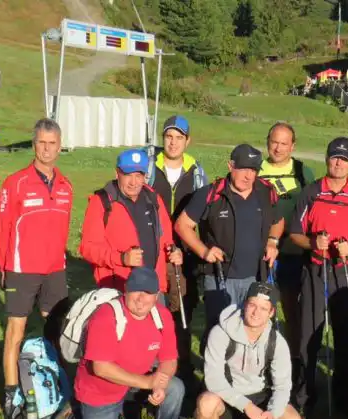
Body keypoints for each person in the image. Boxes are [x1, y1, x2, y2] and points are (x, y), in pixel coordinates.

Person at [51, 267, 184, 419]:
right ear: (126, 290)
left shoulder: (162, 315)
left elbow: (169, 359)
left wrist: (161, 382)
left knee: (175, 388)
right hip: (100, 389)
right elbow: (101, 368)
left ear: (157, 295)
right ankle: (73, 417)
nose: (141, 299)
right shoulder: (105, 316)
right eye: (136, 291)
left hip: (137, 381)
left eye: (148, 293)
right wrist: (149, 383)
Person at [289, 137, 348, 418]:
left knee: (344, 335)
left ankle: (344, 398)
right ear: (327, 159)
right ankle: (304, 397)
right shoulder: (311, 192)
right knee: (309, 336)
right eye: (335, 157)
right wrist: (313, 243)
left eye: (344, 159)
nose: (339, 163)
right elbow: (295, 233)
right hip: (315, 269)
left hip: (344, 272)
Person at [0, 118, 73, 416]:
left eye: (52, 143)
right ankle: (11, 396)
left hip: (54, 270)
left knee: (57, 330)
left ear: (60, 146)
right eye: (42, 142)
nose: (47, 149)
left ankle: (54, 387)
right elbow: (2, 228)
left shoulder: (66, 186)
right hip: (22, 269)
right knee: (16, 330)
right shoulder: (14, 183)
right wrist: (4, 266)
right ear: (33, 144)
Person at [174, 143, 283, 345]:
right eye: (243, 169)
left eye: (253, 170)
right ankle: (213, 365)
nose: (248, 176)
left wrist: (273, 241)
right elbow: (183, 225)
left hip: (255, 276)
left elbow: (278, 221)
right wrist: (204, 251)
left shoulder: (265, 192)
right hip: (219, 276)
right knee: (218, 333)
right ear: (230, 166)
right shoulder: (211, 194)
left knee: (251, 332)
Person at [195, 282, 303, 419]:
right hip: (226, 396)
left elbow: (282, 386)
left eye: (263, 308)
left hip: (259, 396)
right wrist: (246, 406)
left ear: (271, 313)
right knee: (206, 403)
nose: (256, 313)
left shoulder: (277, 341)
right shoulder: (220, 332)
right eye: (252, 305)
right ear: (244, 304)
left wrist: (272, 414)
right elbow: (214, 379)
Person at [144, 115, 208, 403]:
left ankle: (181, 373)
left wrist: (192, 249)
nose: (173, 142)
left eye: (179, 137)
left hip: (184, 256)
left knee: (182, 314)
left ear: (187, 141)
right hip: (152, 253)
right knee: (151, 314)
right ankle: (150, 372)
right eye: (168, 136)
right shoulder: (150, 167)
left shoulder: (196, 172)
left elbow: (201, 216)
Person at [258, 122, 316, 387]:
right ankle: (261, 363)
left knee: (292, 311)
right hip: (261, 255)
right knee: (260, 311)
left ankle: (293, 363)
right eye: (274, 142)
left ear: (293, 146)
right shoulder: (255, 168)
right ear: (267, 141)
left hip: (293, 254)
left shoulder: (303, 172)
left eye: (284, 143)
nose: (278, 148)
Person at [78, 148, 183, 294]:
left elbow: (166, 241)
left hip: (153, 289)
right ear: (117, 173)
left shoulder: (153, 199)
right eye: (128, 175)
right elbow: (87, 248)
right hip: (118, 289)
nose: (133, 182)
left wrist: (174, 252)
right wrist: (121, 258)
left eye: (138, 175)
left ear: (145, 176)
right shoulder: (101, 202)